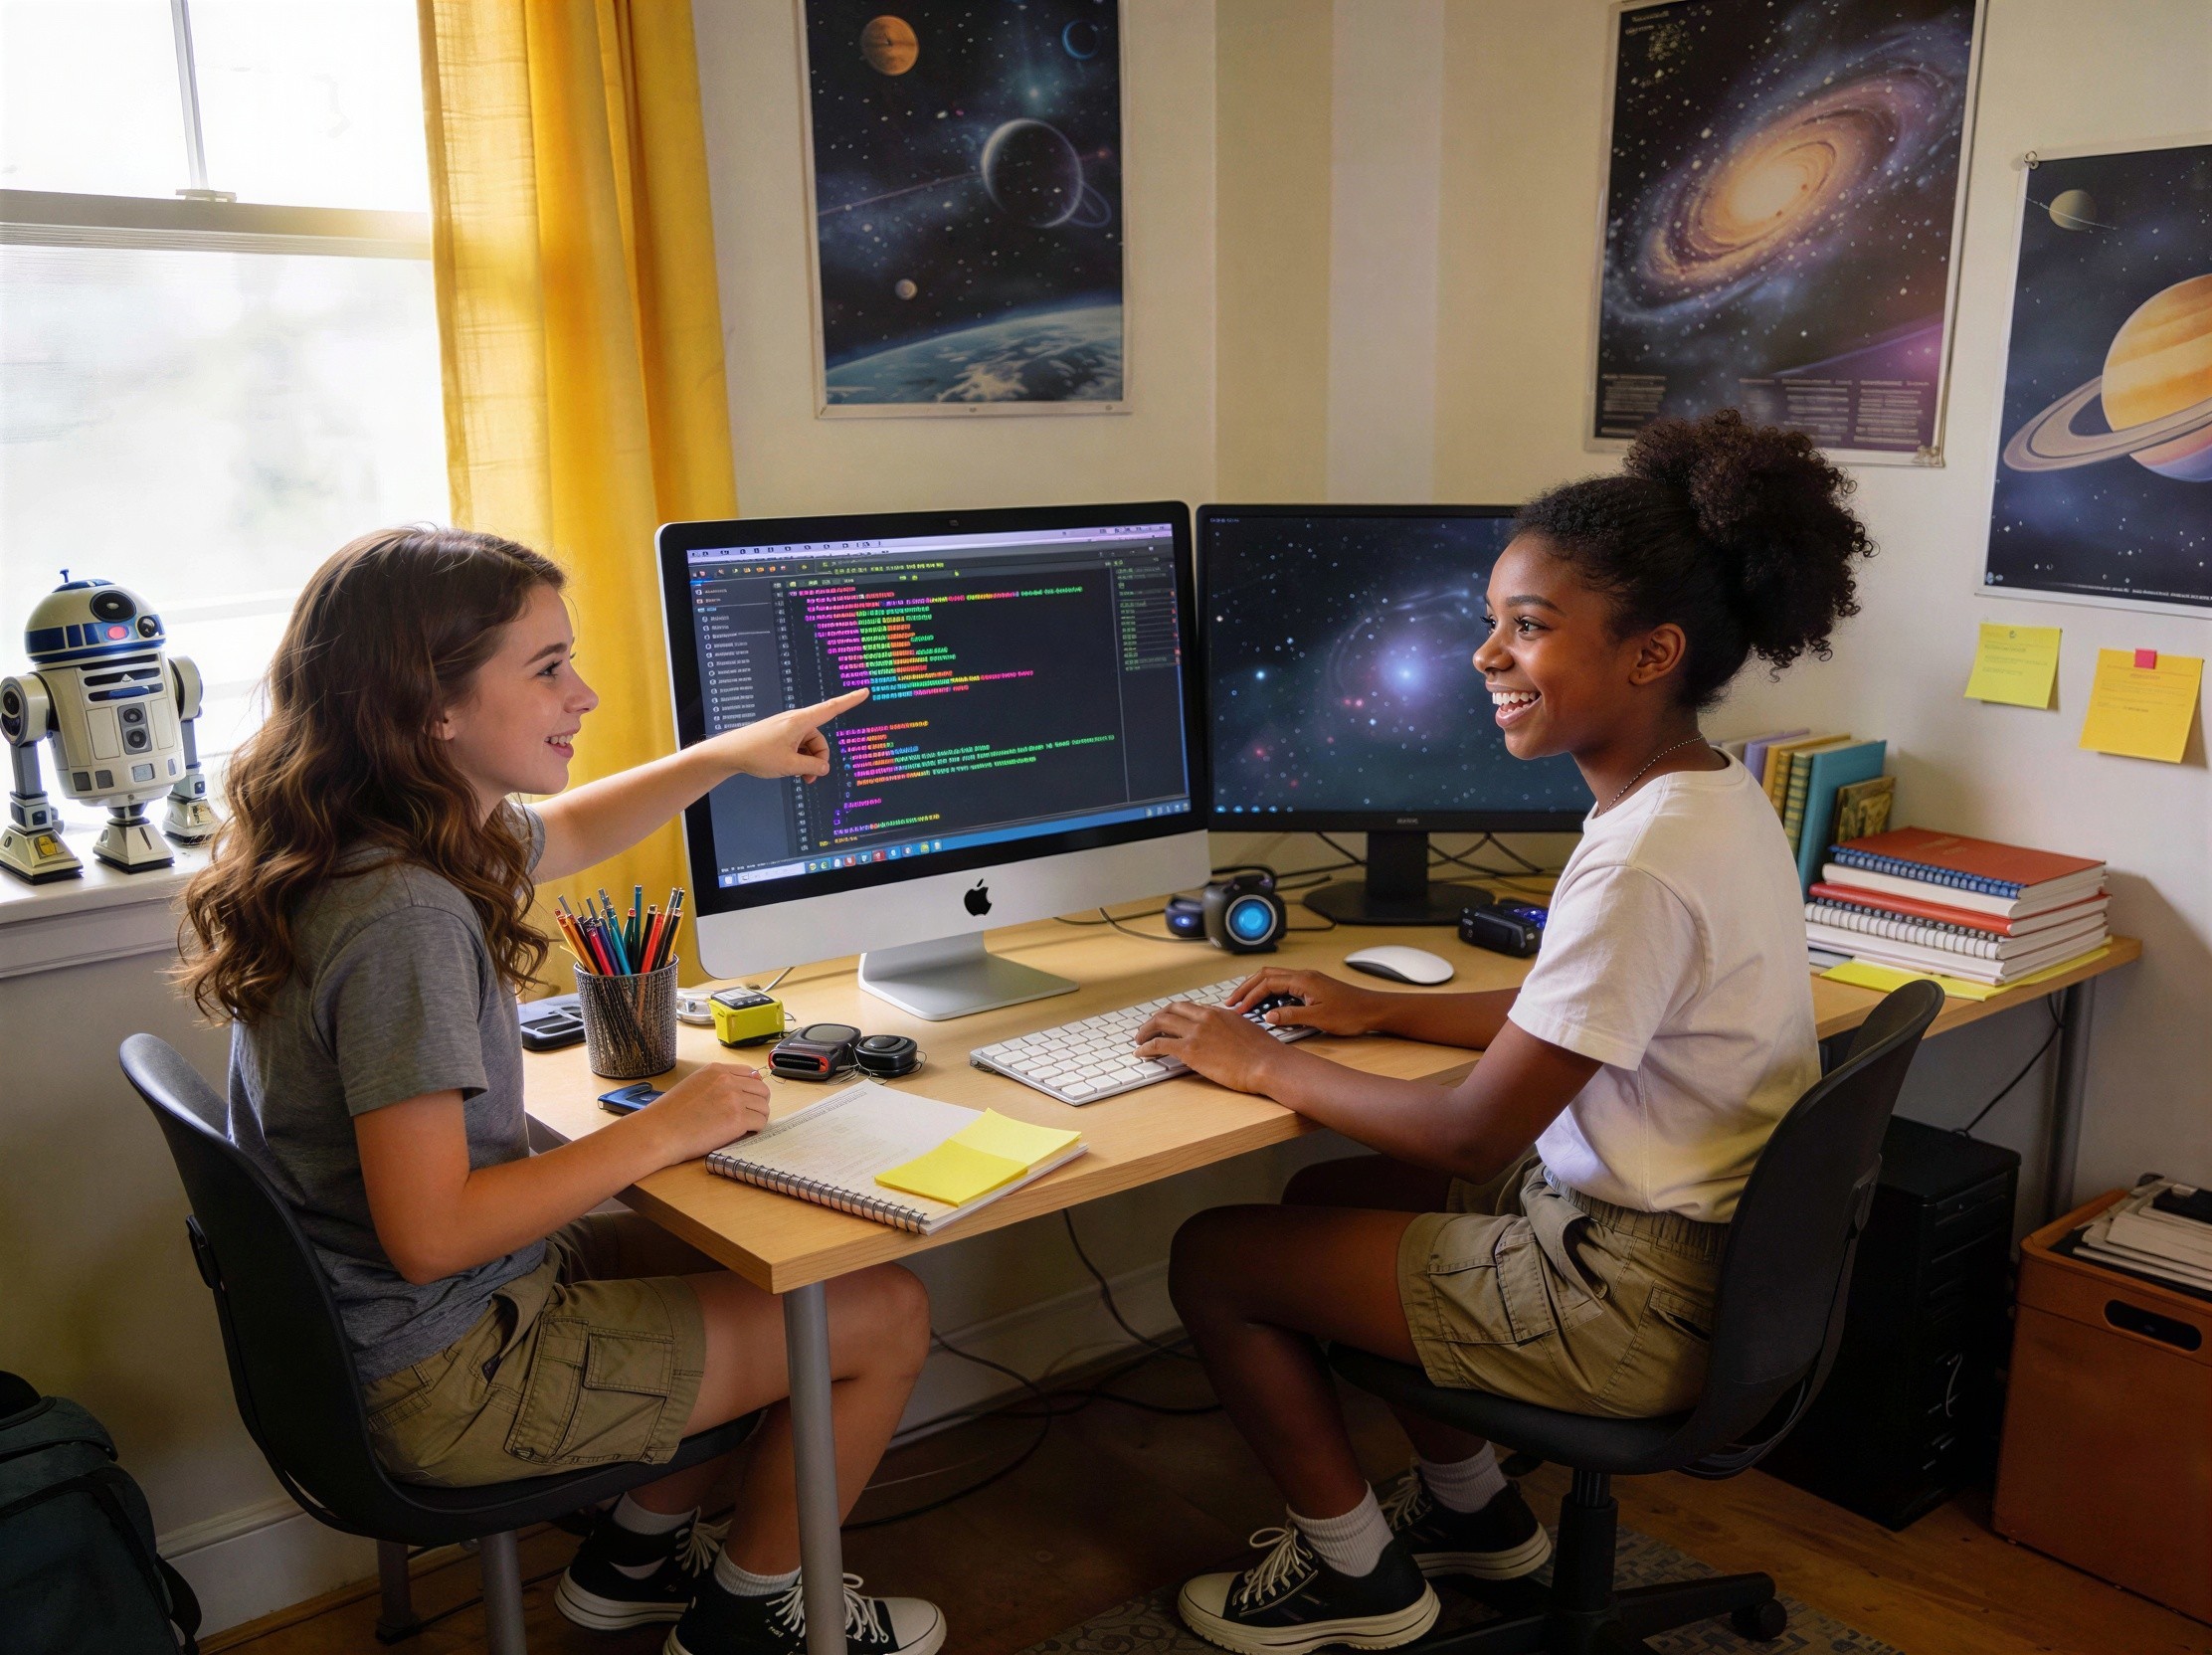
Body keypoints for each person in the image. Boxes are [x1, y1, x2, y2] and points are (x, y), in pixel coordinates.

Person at [1135, 411, 1875, 1654]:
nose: (1485, 653)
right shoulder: (1708, 795)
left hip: (1624, 1297)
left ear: (1650, 653)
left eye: (1526, 625)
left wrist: (1257, 1059)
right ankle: (1475, 1514)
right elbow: (1585, 1013)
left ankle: (1356, 1577)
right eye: (1492, 619)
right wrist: (1382, 1006)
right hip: (1707, 1261)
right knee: (1326, 1192)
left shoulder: (1640, 857)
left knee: (1217, 1255)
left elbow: (1474, 1131)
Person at [180, 527, 945, 1655]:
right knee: (884, 1312)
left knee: (752, 1257)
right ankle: (754, 1619)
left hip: (380, 1333)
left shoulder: (377, 835)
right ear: (431, 706)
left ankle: (633, 1559)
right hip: (450, 1370)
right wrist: (665, 1129)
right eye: (547, 668)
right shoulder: (402, 917)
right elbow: (433, 1234)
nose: (581, 693)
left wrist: (726, 753)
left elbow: (574, 828)